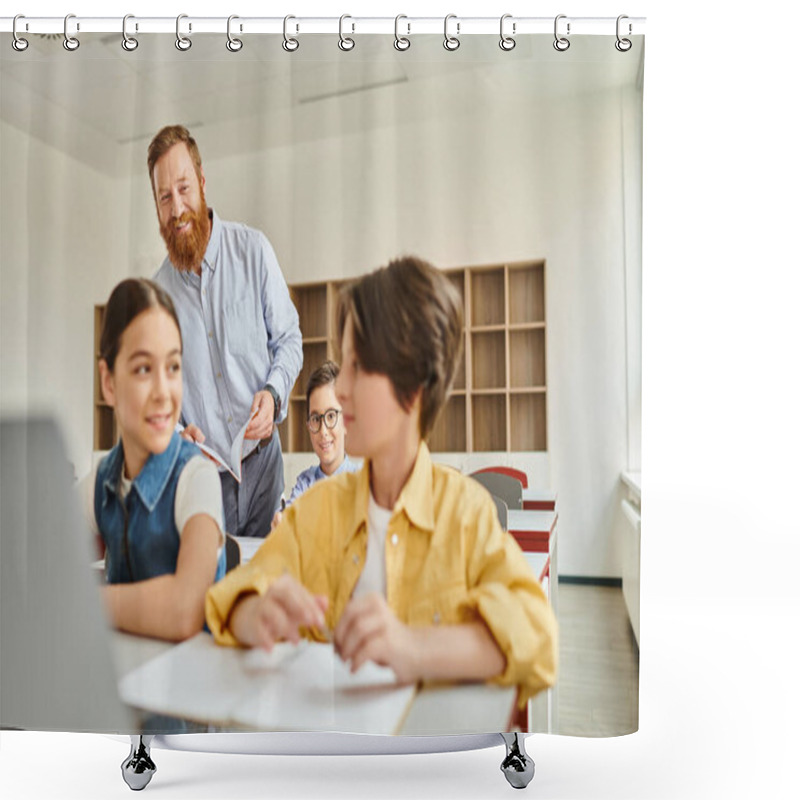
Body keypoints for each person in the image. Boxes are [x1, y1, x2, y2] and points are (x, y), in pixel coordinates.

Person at [206, 256, 557, 708]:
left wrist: (415, 648)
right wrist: (257, 616)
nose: (342, 388)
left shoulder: (465, 515)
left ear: (414, 387)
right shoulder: (316, 511)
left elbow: (538, 635)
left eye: (359, 367)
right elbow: (229, 600)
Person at [148, 124, 302, 538]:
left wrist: (272, 395)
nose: (177, 208)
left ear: (201, 183)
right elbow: (159, 394)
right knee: (213, 596)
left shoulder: (253, 252)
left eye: (183, 188)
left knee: (269, 586)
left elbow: (288, 339)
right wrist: (180, 435)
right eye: (165, 197)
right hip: (202, 480)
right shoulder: (158, 296)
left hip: (264, 463)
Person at [80, 278, 226, 642]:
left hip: (192, 690)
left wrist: (85, 601)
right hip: (126, 683)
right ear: (108, 381)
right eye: (144, 369)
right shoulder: (102, 479)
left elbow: (184, 610)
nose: (164, 392)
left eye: (173, 367)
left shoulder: (197, 477)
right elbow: (37, 563)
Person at [270, 360, 360, 531]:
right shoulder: (305, 483)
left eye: (331, 416)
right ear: (308, 426)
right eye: (316, 419)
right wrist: (282, 522)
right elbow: (290, 517)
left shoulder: (361, 482)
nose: (323, 430)